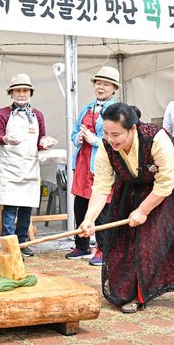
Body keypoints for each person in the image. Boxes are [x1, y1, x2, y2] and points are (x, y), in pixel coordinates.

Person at [78, 103, 174, 314]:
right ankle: (136, 292)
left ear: (132, 128)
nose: (110, 139)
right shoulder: (107, 148)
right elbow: (101, 186)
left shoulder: (157, 139)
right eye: (105, 133)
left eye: (116, 134)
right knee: (133, 236)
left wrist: (143, 210)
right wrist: (89, 219)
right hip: (137, 182)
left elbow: (166, 183)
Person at [0, 73, 54, 258]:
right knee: (10, 209)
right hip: (9, 167)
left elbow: (40, 139)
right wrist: (5, 139)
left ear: (30, 93)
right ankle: (9, 245)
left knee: (26, 209)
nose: (21, 94)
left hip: (29, 167)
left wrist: (45, 141)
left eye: (25, 90)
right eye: (18, 90)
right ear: (11, 93)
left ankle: (23, 242)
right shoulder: (3, 113)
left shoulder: (37, 115)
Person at [66, 66, 119, 266]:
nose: (100, 87)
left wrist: (95, 139)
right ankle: (81, 245)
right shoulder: (87, 108)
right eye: (98, 83)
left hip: (101, 164)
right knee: (80, 205)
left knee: (102, 207)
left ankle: (104, 249)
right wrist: (79, 138)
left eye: (105, 84)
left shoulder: (116, 110)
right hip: (82, 163)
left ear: (114, 88)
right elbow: (73, 134)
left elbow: (117, 139)